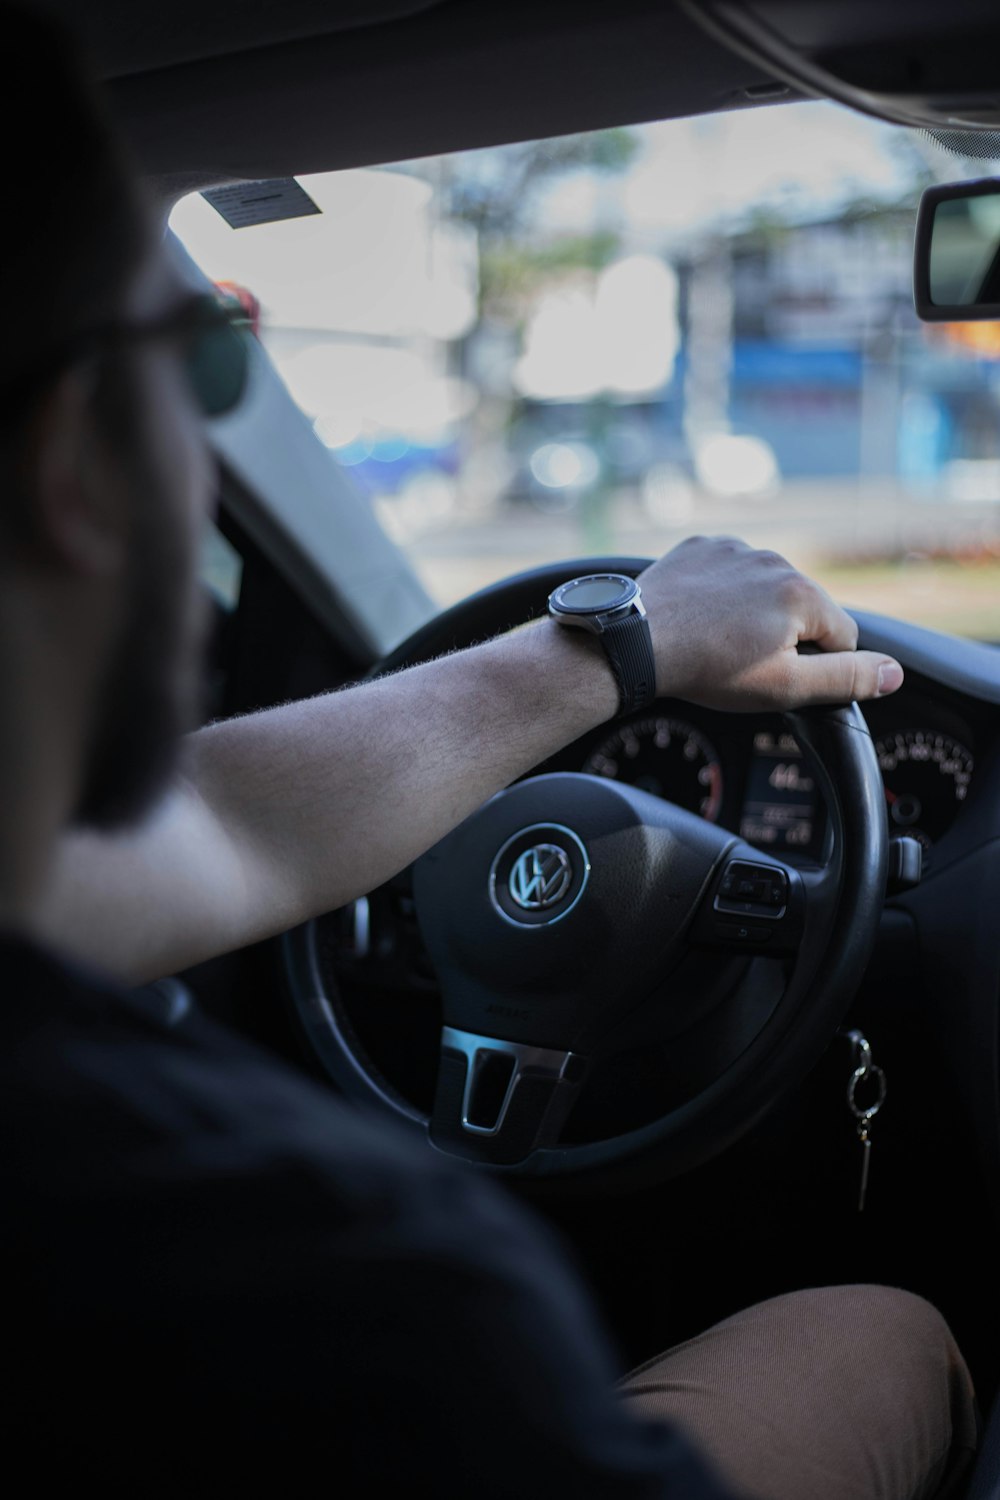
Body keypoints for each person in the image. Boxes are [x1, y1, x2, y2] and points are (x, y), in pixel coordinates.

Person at [0, 6, 978, 1494]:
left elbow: (224, 825)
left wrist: (619, 646)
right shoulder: (356, 1287)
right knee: (892, 1335)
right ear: (75, 455)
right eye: (205, 361)